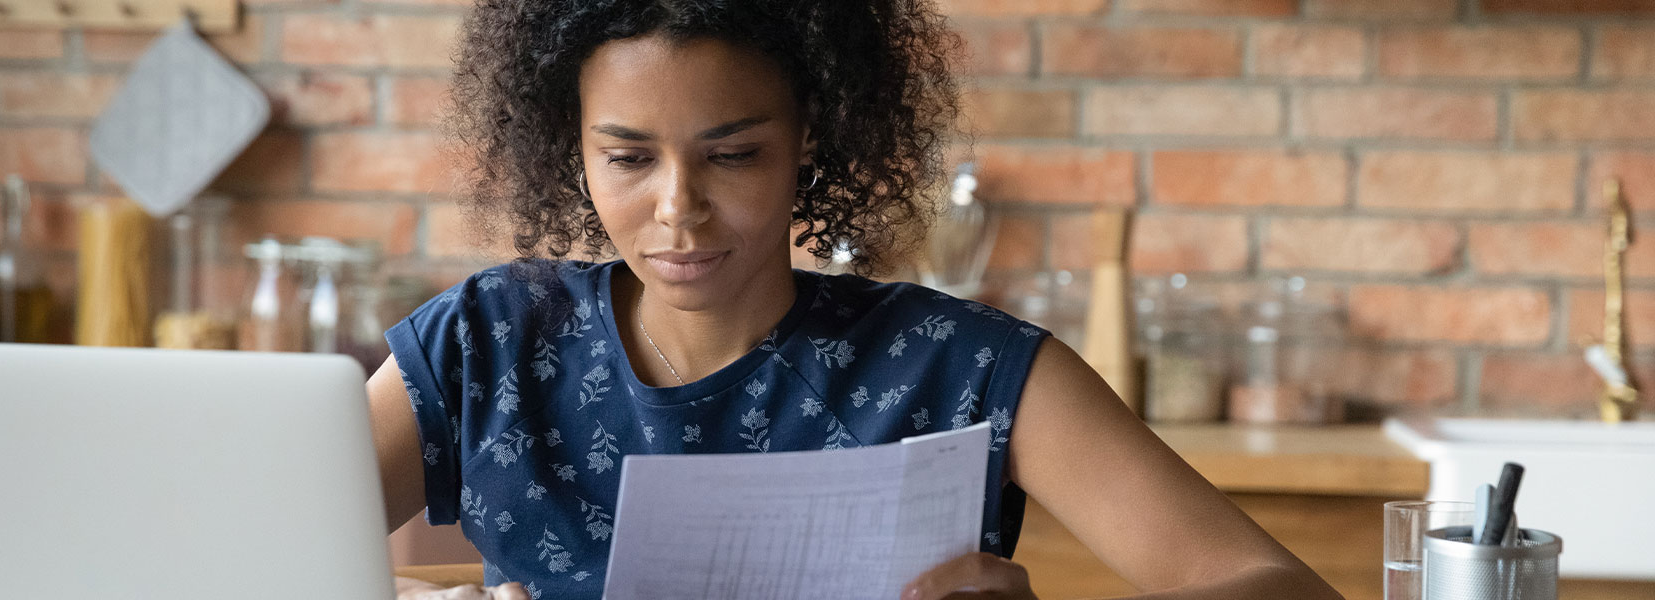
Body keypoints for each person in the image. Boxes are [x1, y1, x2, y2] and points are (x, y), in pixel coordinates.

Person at [364, 1, 1345, 599]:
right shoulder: (485, 344)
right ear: (570, 147)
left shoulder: (959, 365)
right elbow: (237, 556)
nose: (677, 210)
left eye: (734, 154)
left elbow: (1279, 587)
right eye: (627, 156)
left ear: (810, 143)